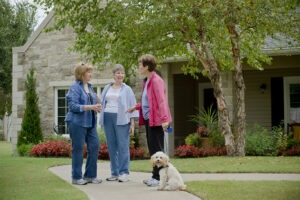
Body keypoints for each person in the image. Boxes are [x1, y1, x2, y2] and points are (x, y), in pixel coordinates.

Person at [127, 54, 172, 187]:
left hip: (157, 120)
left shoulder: (156, 81)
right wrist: (136, 107)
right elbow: (149, 103)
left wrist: (164, 119)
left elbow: (161, 101)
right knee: (153, 150)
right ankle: (155, 176)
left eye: (140, 65)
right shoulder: (147, 81)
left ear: (147, 66)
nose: (139, 67)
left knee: (158, 150)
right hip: (149, 119)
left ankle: (160, 178)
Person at [99, 64, 139, 182]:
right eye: (118, 73)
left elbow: (133, 106)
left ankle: (124, 172)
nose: (120, 75)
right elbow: (102, 102)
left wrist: (132, 123)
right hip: (107, 117)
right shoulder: (107, 87)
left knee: (123, 146)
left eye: (122, 73)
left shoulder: (127, 89)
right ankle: (114, 173)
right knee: (111, 146)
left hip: (121, 118)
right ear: (113, 75)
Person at [65, 62, 102, 185]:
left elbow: (93, 103)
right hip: (77, 123)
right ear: (81, 74)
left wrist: (97, 106)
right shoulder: (75, 87)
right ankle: (76, 177)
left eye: (91, 72)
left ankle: (90, 176)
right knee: (78, 149)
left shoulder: (90, 87)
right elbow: (73, 106)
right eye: (88, 72)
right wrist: (90, 106)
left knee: (94, 146)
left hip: (90, 123)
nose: (91, 74)